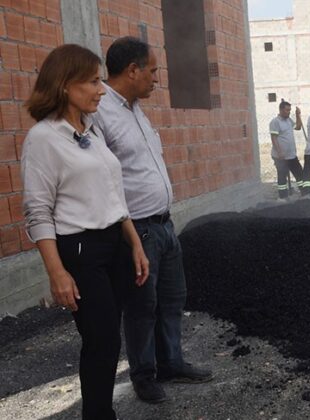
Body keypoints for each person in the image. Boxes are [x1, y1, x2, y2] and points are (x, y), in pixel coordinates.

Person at [21, 44, 149, 420]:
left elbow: (113, 193)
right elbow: (38, 212)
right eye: (93, 81)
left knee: (109, 337)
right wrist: (56, 272)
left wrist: (135, 243)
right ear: (64, 85)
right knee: (102, 340)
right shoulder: (44, 139)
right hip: (80, 250)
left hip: (114, 243)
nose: (101, 89)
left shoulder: (91, 130)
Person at [92, 36, 212, 404]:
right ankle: (143, 375)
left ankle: (170, 362)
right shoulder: (100, 112)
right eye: (153, 70)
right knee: (142, 306)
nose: (157, 78)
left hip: (164, 224)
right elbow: (102, 179)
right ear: (132, 70)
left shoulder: (134, 108)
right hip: (137, 231)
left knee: (172, 298)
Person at [269, 100, 305, 200]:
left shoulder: (289, 120)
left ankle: (304, 193)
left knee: (300, 175)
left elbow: (298, 127)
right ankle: (283, 197)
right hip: (281, 157)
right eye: (287, 110)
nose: (289, 112)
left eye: (290, 110)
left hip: (291, 155)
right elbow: (274, 138)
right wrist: (280, 152)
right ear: (281, 110)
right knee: (282, 177)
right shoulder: (275, 122)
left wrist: (298, 115)